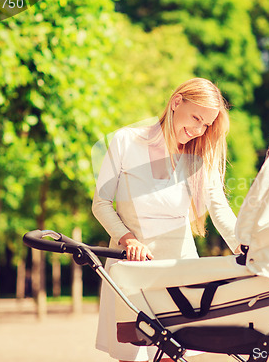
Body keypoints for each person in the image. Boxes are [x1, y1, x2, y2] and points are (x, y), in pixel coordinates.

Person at [92, 78, 240, 362]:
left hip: (178, 269)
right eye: (196, 117)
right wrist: (128, 238)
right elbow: (100, 204)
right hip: (130, 267)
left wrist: (242, 247)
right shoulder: (125, 141)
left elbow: (219, 208)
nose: (199, 129)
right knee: (132, 356)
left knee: (175, 356)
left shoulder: (199, 155)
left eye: (206, 124)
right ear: (176, 102)